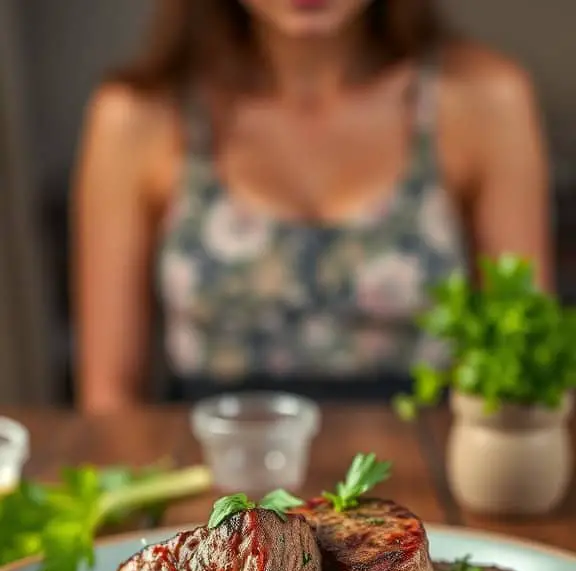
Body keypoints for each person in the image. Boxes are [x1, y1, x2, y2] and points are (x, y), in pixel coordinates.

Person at [74, 0, 552, 413]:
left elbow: (528, 369)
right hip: (218, 484)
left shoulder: (483, 100)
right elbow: (109, 397)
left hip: (429, 474)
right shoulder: (136, 117)